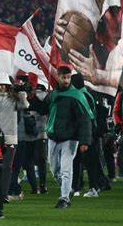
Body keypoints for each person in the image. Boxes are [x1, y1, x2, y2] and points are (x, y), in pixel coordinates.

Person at [31, 66, 92, 208]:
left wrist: (84, 141)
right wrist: (32, 97)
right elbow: (42, 109)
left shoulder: (76, 95)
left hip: (70, 138)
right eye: (63, 77)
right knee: (54, 170)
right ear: (58, 77)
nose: (66, 80)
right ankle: (68, 189)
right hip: (53, 136)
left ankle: (64, 198)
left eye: (68, 77)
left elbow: (85, 120)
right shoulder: (53, 94)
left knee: (66, 169)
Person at [0, 73, 29, 203]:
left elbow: (26, 105)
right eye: (0, 85)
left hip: (10, 137)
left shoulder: (14, 98)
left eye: (5, 85)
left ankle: (3, 194)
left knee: (6, 167)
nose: (2, 88)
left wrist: (22, 92)